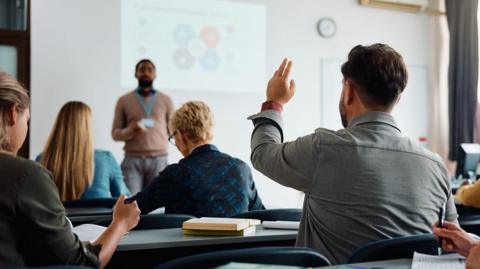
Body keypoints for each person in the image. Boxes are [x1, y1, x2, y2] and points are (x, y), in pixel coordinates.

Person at [248, 44, 457, 264]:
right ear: (397, 99)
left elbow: (263, 153)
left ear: (348, 91)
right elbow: (452, 240)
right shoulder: (435, 165)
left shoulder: (324, 149)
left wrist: (275, 103)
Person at [0, 72, 140, 268]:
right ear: (13, 113)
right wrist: (121, 223)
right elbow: (79, 262)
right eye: (27, 120)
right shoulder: (26, 174)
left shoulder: (42, 160)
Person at [136, 101, 264, 217]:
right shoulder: (241, 169)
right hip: (238, 243)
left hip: (189, 243)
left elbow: (132, 209)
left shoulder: (176, 174)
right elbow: (261, 215)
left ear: (180, 135)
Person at [38, 101, 131, 201]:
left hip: (58, 217)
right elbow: (126, 200)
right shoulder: (106, 159)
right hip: (97, 217)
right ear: (87, 127)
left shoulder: (42, 160)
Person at [112, 59, 174, 193]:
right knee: (131, 203)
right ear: (136, 74)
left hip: (159, 160)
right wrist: (131, 130)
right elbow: (115, 134)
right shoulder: (123, 100)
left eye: (149, 70)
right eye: (142, 70)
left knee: (157, 207)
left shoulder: (166, 100)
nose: (146, 73)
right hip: (132, 160)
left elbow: (174, 131)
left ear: (155, 75)